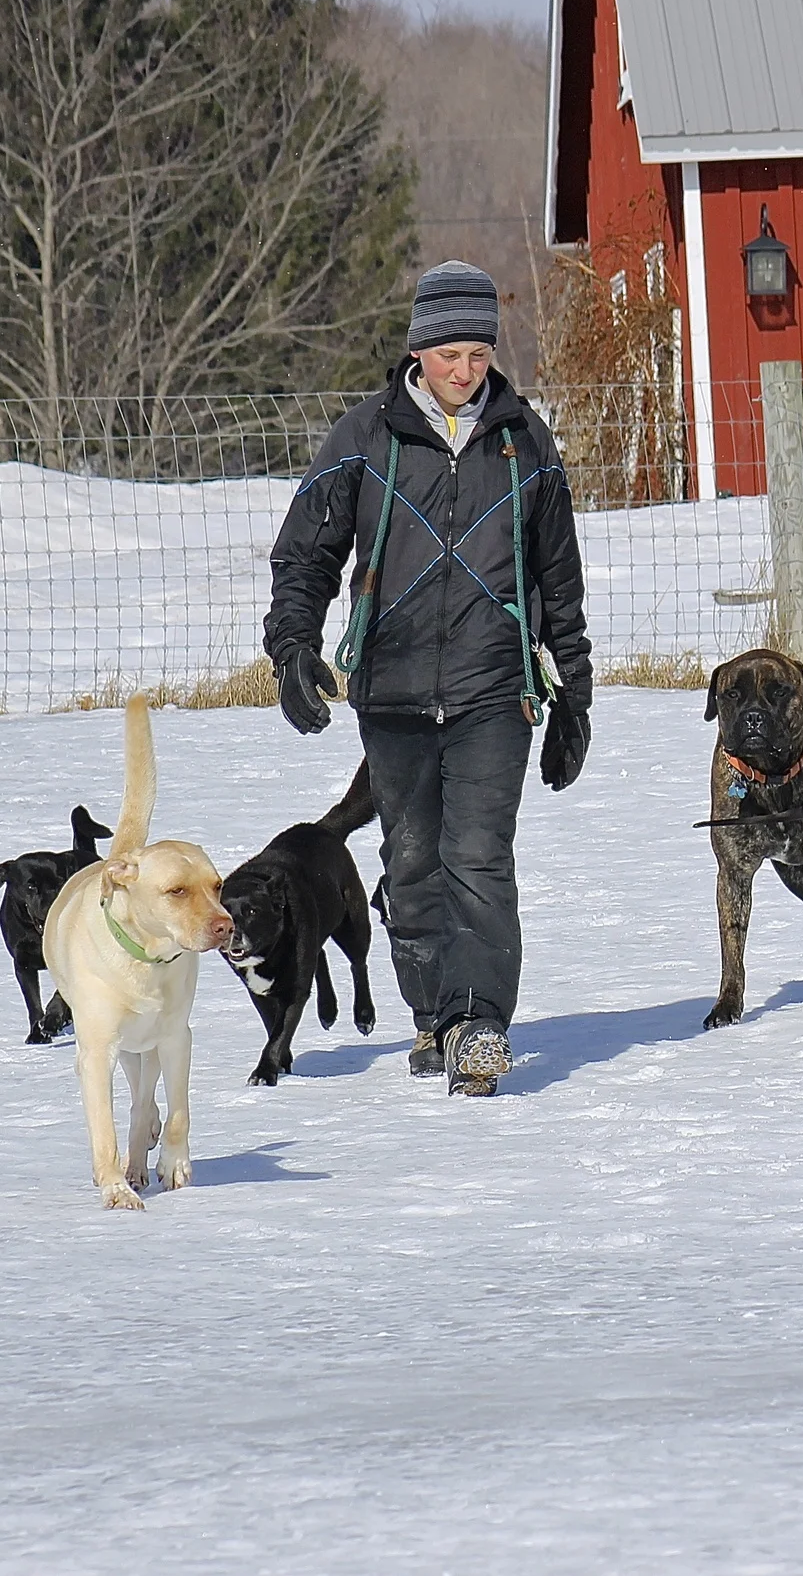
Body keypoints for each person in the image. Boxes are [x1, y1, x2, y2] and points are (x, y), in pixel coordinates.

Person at [263, 261, 592, 1093]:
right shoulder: (365, 438)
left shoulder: (524, 442)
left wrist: (575, 694)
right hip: (392, 686)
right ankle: (430, 1009)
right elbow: (305, 556)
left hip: (494, 685)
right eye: (449, 353)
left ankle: (478, 1023)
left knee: (479, 855)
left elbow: (559, 578)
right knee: (411, 858)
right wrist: (294, 648)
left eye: (478, 353)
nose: (464, 371)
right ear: (418, 351)